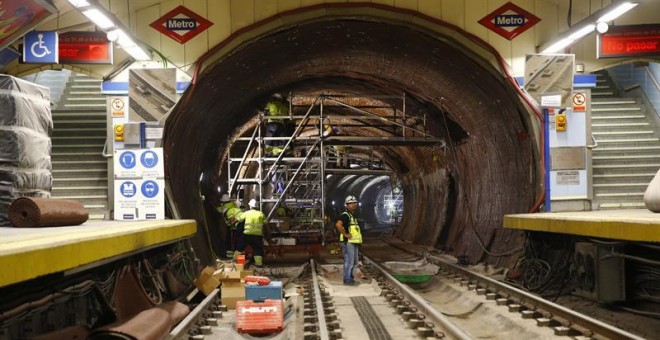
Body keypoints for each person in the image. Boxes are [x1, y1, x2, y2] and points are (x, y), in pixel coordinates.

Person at [335, 195, 363, 285]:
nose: (353, 205)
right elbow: (338, 225)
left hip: (353, 242)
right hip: (348, 242)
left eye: (354, 203)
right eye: (351, 204)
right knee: (349, 260)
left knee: (354, 261)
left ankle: (350, 277)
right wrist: (345, 234)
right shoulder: (345, 215)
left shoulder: (352, 215)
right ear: (346, 205)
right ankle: (347, 279)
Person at [234, 199, 267, 267]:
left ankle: (234, 260)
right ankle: (259, 263)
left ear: (250, 206)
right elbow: (266, 224)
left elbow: (239, 219)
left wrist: (232, 222)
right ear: (257, 206)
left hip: (247, 235)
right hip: (257, 236)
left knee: (239, 247)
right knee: (258, 249)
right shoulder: (261, 214)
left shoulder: (246, 213)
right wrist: (268, 234)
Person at [216, 194, 243, 258]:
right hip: (243, 225)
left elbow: (232, 220)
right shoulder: (234, 205)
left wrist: (229, 224)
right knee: (239, 242)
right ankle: (238, 257)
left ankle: (230, 257)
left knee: (231, 242)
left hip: (237, 226)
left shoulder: (227, 210)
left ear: (223, 202)